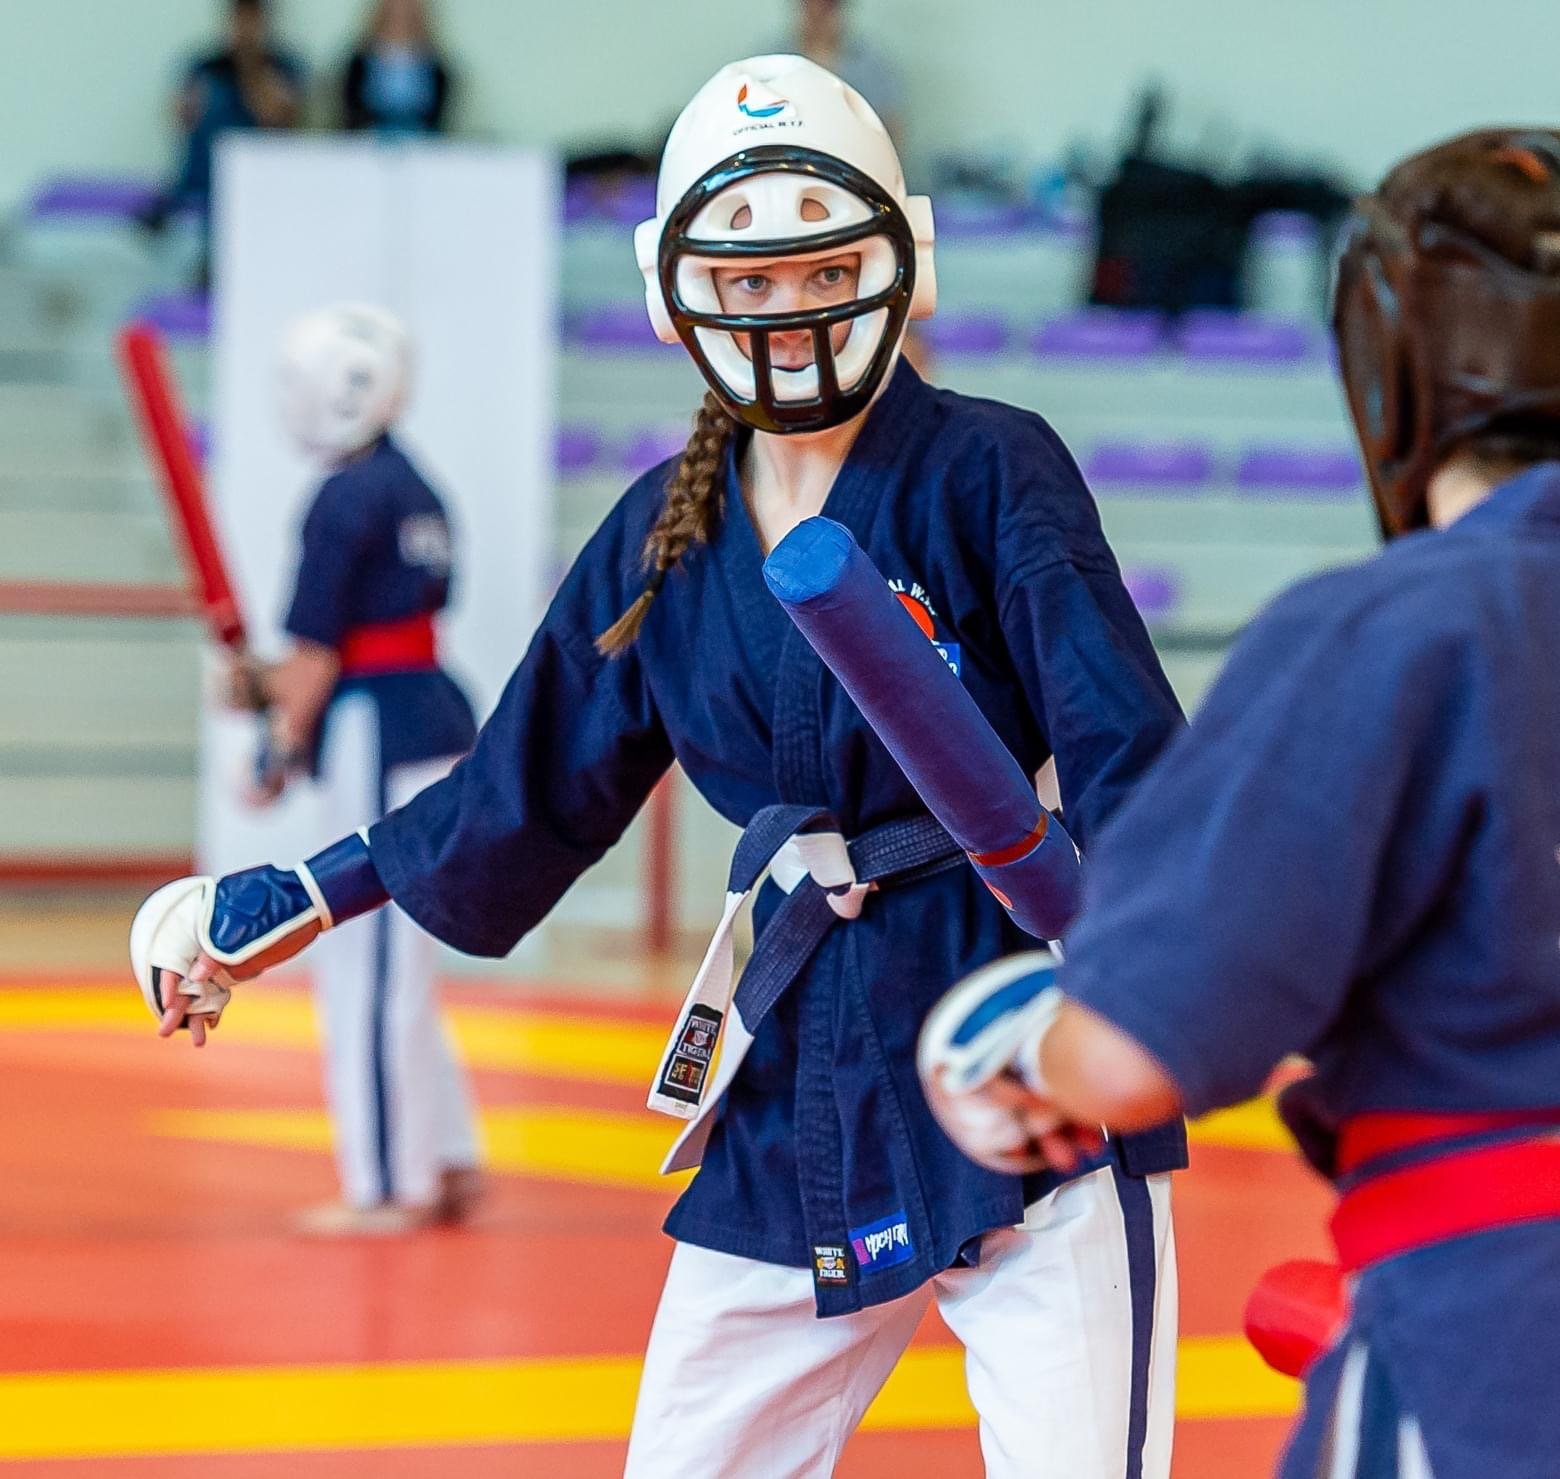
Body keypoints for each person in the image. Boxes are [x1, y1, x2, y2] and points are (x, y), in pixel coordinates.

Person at [130, 56, 1186, 1477]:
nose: (789, 311)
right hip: (797, 1046)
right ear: (680, 294)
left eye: (822, 268)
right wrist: (302, 894)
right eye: (747, 281)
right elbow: (521, 782)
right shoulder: (661, 532)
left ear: (900, 263)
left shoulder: (992, 468)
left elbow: (1122, 738)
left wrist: (1152, 969)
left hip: (1016, 1018)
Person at [922, 129, 1560, 1479]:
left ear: (1399, 368)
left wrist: (1004, 1059)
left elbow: (1131, 1056)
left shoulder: (1382, 633)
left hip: (1527, 1357)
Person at [222, 303, 482, 1236]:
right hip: (431, 713)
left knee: (365, 961)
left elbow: (317, 654)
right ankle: (443, 1150)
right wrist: (273, 689)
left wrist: (275, 739)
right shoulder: (414, 484)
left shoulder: (343, 497)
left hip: (377, 727)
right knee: (400, 958)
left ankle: (384, 1182)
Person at [143, 0, 303, 234]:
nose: (244, 28)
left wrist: (250, 65)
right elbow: (180, 120)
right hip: (205, 175)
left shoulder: (284, 67)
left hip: (260, 177)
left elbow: (275, 117)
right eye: (239, 19)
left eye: (251, 20)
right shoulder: (205, 67)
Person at [777, 0, 904, 140]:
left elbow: (890, 128)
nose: (818, 14)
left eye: (826, 7)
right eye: (811, 5)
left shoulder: (870, 66)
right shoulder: (774, 61)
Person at [341, 0, 454, 136]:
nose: (400, 13)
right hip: (367, 140)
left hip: (423, 140)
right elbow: (353, 110)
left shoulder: (435, 65)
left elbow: (438, 113)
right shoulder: (359, 62)